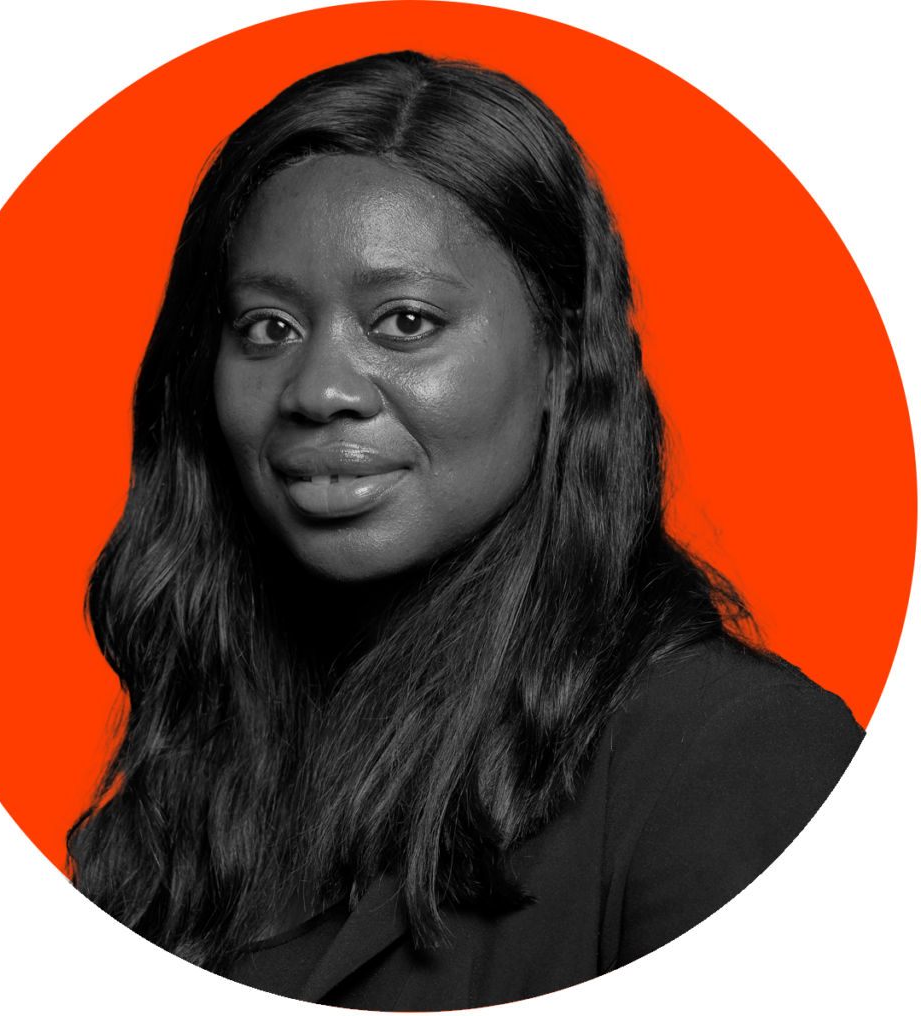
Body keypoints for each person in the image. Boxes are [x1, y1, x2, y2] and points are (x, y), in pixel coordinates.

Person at [67, 50, 864, 1007]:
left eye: (404, 322)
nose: (318, 390)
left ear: (562, 357)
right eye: (268, 328)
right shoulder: (190, 789)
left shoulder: (734, 757)